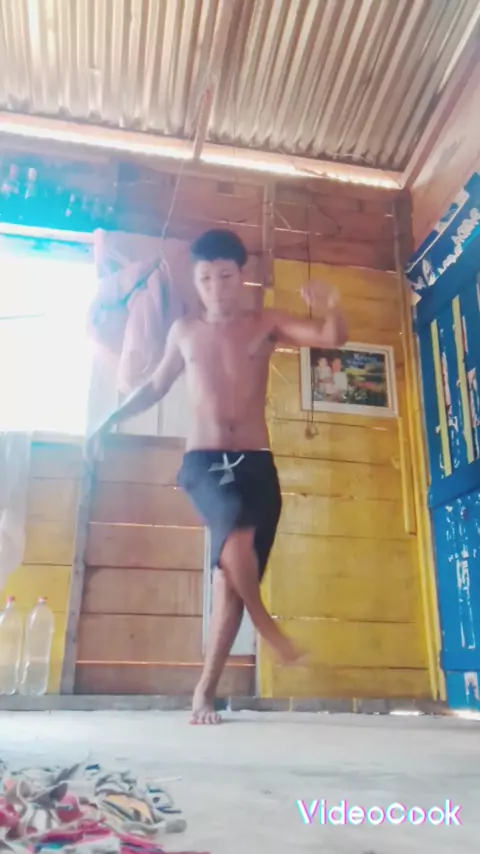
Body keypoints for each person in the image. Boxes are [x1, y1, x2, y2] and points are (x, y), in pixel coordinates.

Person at [86, 229, 348, 724]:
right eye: (205, 278)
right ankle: (270, 629)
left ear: (240, 276)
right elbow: (155, 386)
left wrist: (332, 303)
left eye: (225, 276)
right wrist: (108, 419)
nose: (215, 288)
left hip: (256, 464)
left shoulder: (265, 322)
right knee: (236, 532)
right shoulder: (184, 330)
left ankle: (203, 693)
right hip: (204, 462)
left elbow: (331, 337)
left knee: (231, 583)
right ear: (195, 279)